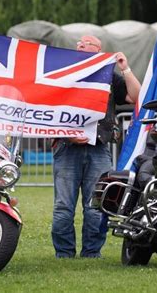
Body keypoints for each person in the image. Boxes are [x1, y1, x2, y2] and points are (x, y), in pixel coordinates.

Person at [51, 35, 141, 258]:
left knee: (96, 206)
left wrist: (125, 68)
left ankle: (91, 253)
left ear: (99, 50)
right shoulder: (64, 75)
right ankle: (64, 254)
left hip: (99, 147)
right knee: (63, 207)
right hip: (66, 148)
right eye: (78, 43)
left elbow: (136, 96)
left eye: (86, 44)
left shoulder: (108, 75)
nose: (80, 46)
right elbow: (50, 109)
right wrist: (68, 135)